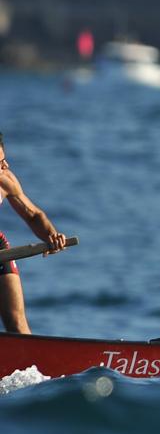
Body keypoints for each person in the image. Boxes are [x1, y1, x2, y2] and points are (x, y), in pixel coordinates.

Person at [0, 131, 70, 333]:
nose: (6, 166)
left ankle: (31, 364)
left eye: (4, 159)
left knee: (17, 325)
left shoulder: (5, 179)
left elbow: (33, 215)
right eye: (0, 162)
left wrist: (51, 235)